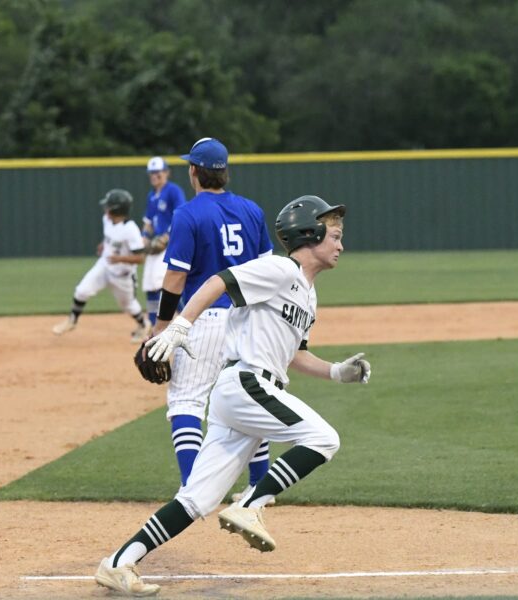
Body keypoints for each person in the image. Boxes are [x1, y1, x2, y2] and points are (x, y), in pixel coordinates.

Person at [94, 195, 371, 597]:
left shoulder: (308, 295)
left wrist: (335, 372)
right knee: (324, 438)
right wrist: (179, 326)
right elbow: (217, 281)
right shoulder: (280, 269)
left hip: (243, 395)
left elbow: (294, 354)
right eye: (334, 236)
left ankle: (119, 562)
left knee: (198, 498)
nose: (340, 245)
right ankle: (250, 504)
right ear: (309, 234)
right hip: (246, 384)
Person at [151, 137, 273, 491]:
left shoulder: (187, 213)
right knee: (246, 400)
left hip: (203, 318)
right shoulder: (252, 210)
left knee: (186, 399)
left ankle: (193, 487)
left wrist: (161, 329)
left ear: (194, 172)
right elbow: (267, 272)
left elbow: (174, 279)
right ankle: (258, 486)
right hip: (248, 320)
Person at [52, 189, 149, 342]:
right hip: (104, 266)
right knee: (81, 291)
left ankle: (143, 325)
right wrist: (104, 244)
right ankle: (72, 320)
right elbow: (110, 238)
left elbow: (140, 258)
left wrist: (119, 259)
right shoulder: (107, 219)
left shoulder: (130, 230)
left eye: (109, 206)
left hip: (122, 276)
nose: (106, 209)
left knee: (129, 306)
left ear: (117, 209)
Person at [139, 157, 186, 336]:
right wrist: (144, 238)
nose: (155, 176)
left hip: (169, 244)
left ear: (166, 172)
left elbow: (180, 214)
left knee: (165, 283)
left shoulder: (173, 191)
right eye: (152, 173)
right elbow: (148, 222)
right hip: (155, 246)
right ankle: (153, 326)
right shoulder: (151, 195)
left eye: (158, 172)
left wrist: (167, 236)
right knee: (150, 285)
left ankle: (185, 318)